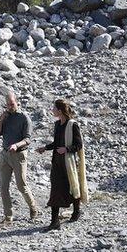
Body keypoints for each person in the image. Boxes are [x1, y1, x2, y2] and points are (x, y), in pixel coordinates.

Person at [40, 98, 88, 231]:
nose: (52, 110)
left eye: (54, 108)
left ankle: (76, 210)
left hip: (68, 164)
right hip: (57, 163)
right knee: (55, 189)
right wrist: (45, 148)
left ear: (60, 111)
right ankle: (55, 221)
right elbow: (57, 143)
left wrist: (66, 149)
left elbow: (78, 145)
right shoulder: (57, 125)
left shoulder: (72, 125)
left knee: (72, 187)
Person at [0, 92, 38, 226]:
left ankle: (33, 208)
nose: (10, 107)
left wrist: (16, 145)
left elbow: (28, 139)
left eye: (12, 104)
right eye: (8, 105)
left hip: (19, 155)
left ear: (16, 102)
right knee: (3, 186)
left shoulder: (24, 118)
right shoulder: (5, 117)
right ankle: (8, 216)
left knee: (21, 185)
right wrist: (1, 119)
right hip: (5, 154)